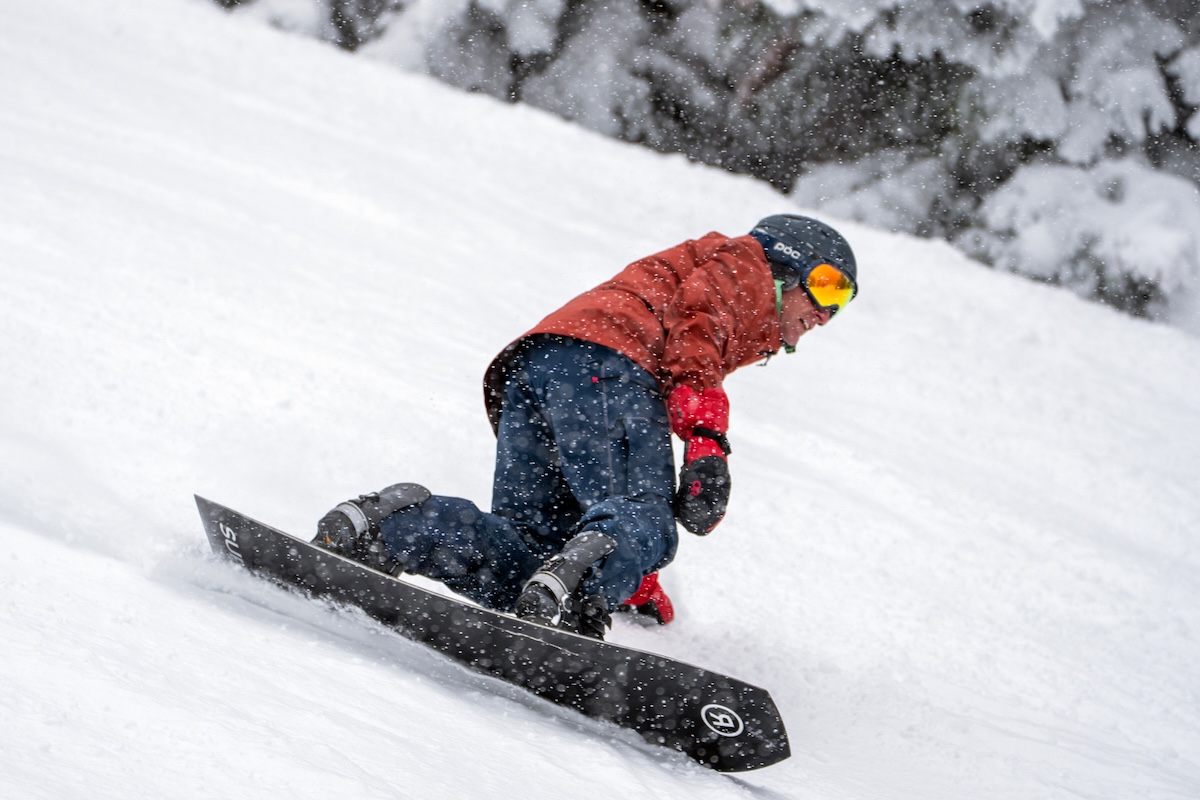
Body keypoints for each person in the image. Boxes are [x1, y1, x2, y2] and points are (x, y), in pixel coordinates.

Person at [313, 214, 858, 639]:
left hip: (540, 369)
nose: (828, 313)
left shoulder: (723, 283)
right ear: (786, 266)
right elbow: (698, 325)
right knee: (648, 516)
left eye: (844, 302)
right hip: (606, 367)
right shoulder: (744, 263)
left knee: (533, 547)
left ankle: (395, 528)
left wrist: (633, 577)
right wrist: (705, 442)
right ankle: (578, 595)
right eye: (828, 286)